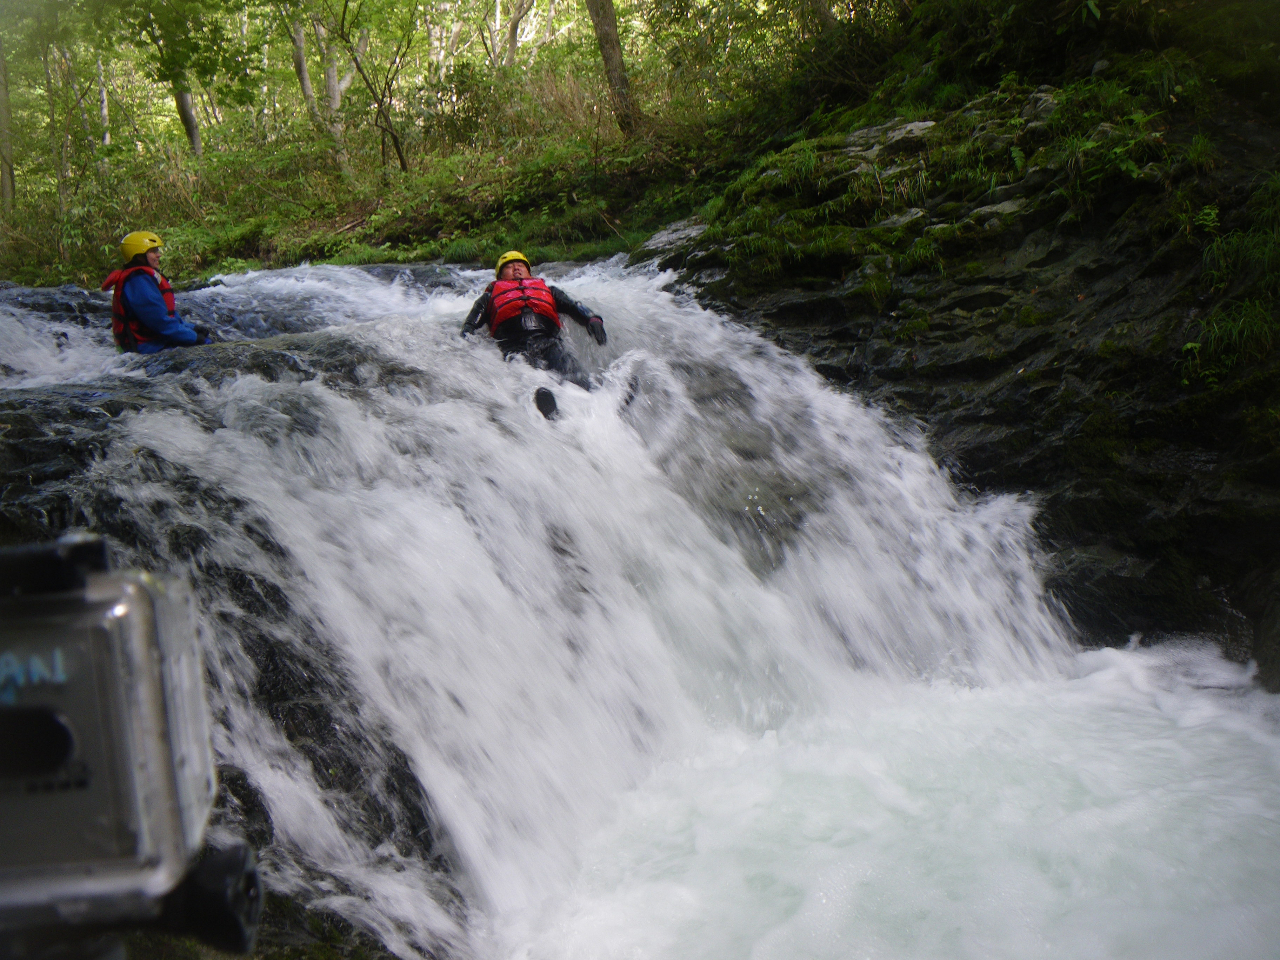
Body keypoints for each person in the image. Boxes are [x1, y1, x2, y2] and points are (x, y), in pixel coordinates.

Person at [461, 251, 607, 395]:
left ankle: (598, 397)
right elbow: (470, 326)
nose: (516, 268)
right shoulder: (489, 297)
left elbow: (573, 306)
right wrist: (466, 345)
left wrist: (592, 319)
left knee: (574, 374)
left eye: (520, 265)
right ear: (500, 276)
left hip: (549, 342)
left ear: (529, 273)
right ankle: (540, 400)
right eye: (509, 267)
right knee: (525, 377)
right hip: (513, 346)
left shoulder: (550, 291)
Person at [101, 231, 213, 353]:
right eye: (153, 252)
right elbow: (160, 322)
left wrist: (192, 327)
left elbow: (166, 316)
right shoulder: (138, 281)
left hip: (152, 342)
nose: (158, 255)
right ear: (139, 256)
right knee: (208, 347)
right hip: (145, 346)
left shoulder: (142, 278)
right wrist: (193, 337)